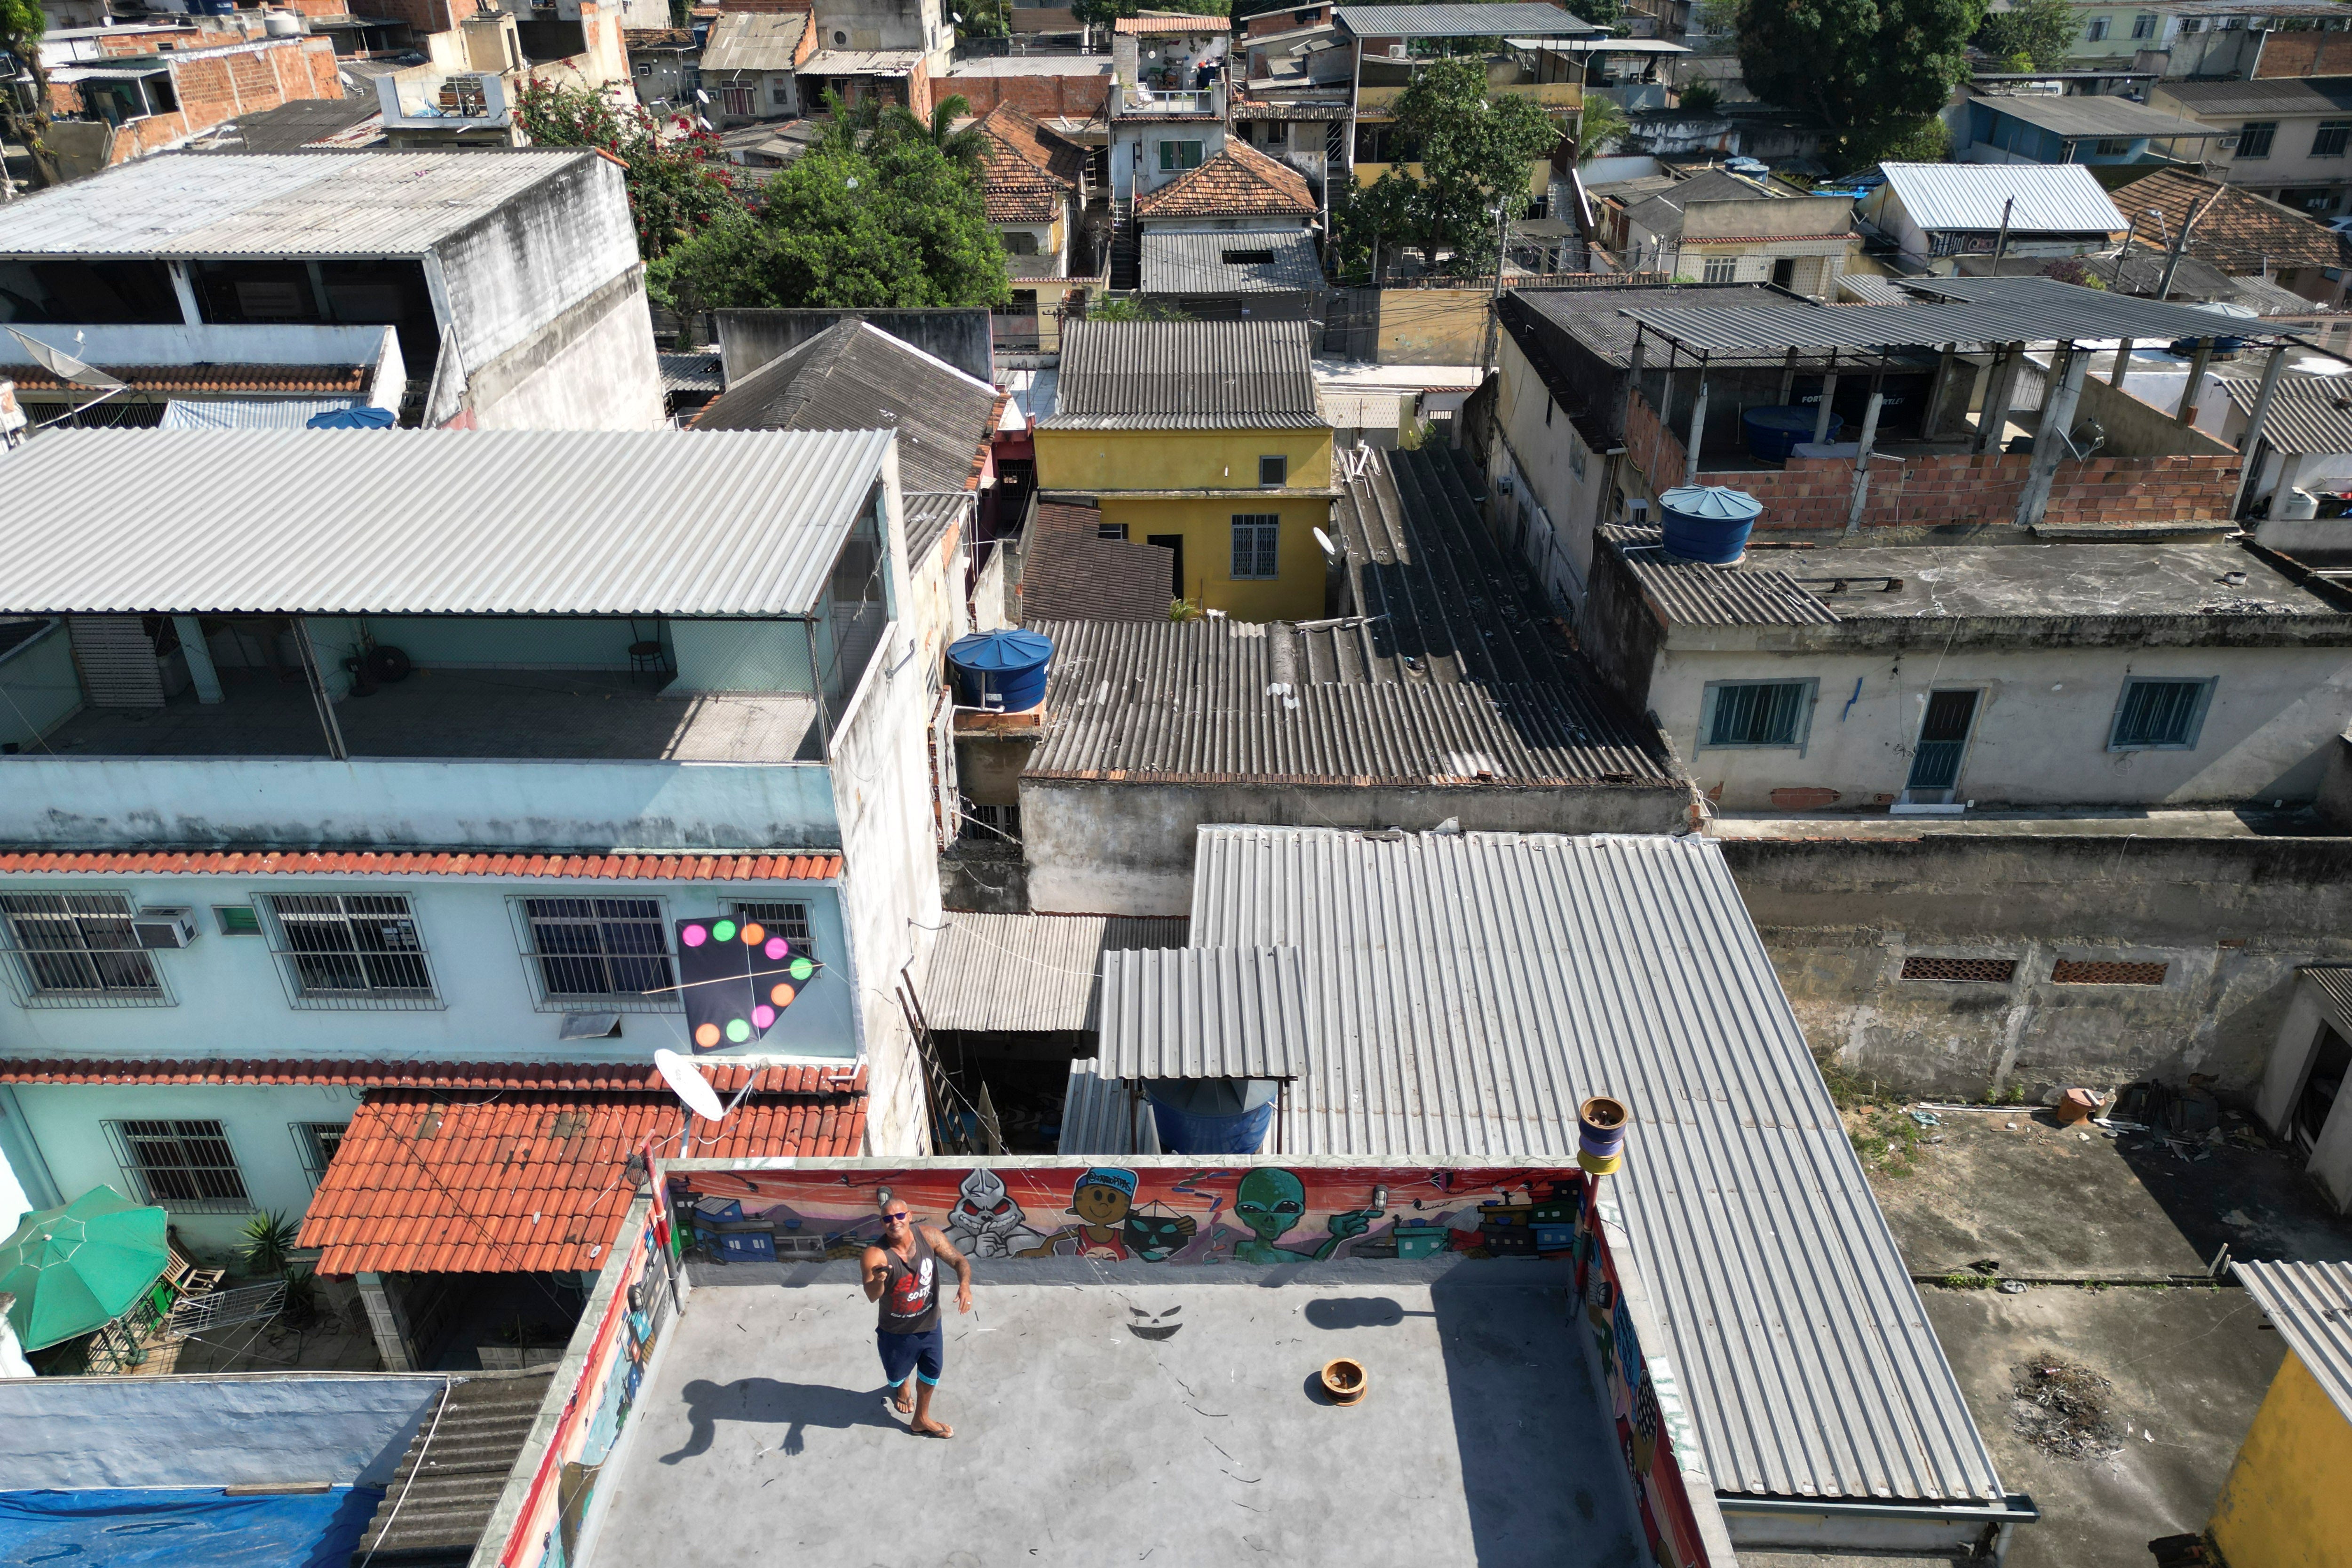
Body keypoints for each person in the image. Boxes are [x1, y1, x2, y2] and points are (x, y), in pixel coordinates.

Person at [861, 1193, 972, 1438]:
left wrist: (964, 1285)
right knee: (897, 1376)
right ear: (882, 1224)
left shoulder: (929, 1237)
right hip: (896, 1333)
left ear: (910, 1216)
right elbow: (871, 1295)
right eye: (888, 1218)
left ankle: (921, 1419)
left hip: (931, 1324)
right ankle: (902, 1385)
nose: (895, 1221)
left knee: (932, 1373)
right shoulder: (875, 1255)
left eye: (900, 1215)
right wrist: (879, 1281)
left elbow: (959, 1260)